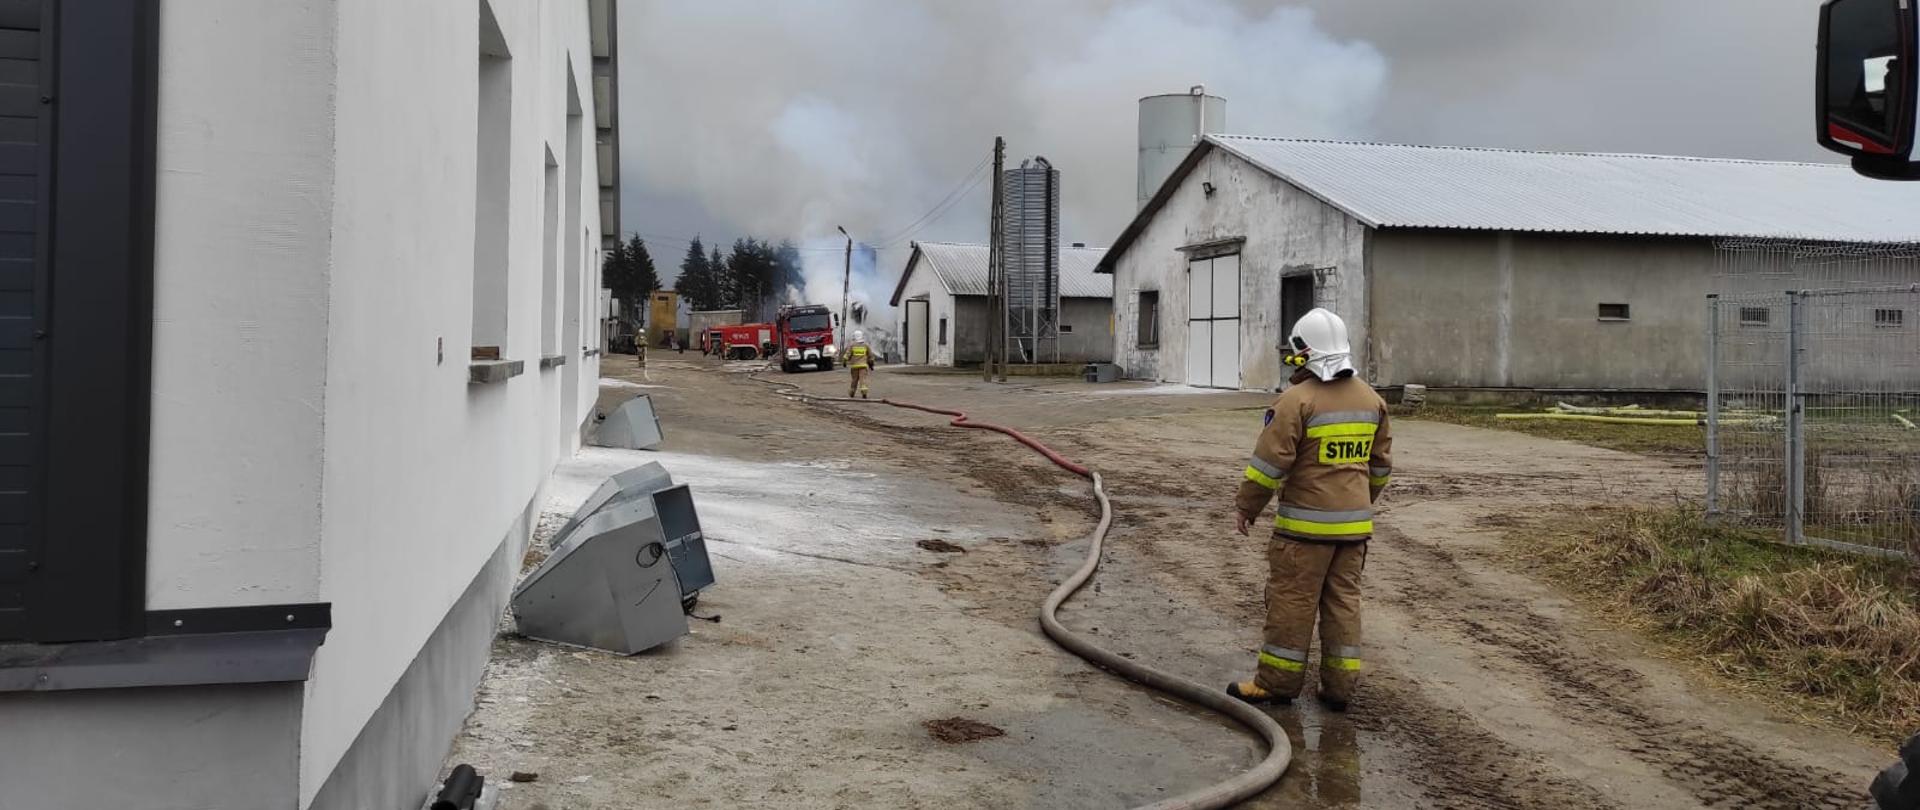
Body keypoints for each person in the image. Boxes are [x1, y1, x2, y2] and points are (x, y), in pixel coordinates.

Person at [1226, 307, 1391, 712]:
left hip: (1303, 534)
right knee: (1343, 605)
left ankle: (1276, 684)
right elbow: (1380, 468)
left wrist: (1247, 506)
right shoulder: (1372, 401)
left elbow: (1268, 465)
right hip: (1353, 534)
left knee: (1292, 604)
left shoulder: (1296, 401)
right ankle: (1339, 689)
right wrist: (1356, 503)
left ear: (1305, 353)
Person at [841, 329, 875, 398]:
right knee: (863, 380)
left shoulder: (852, 345)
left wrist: (844, 362)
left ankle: (852, 393)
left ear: (854, 336)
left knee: (854, 380)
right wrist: (871, 365)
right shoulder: (866, 345)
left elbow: (847, 355)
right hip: (863, 366)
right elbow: (871, 356)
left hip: (854, 367)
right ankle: (864, 392)